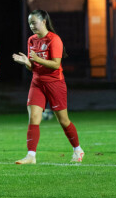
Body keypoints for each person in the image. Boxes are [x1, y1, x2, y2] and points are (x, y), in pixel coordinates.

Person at [12, 9, 84, 164]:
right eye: (30, 23)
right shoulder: (31, 40)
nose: (31, 26)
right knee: (33, 118)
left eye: (34, 22)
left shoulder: (54, 39)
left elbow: (55, 64)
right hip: (37, 83)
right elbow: (33, 66)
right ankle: (31, 155)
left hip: (54, 83)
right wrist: (26, 63)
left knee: (63, 120)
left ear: (43, 21)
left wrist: (37, 58)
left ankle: (78, 149)